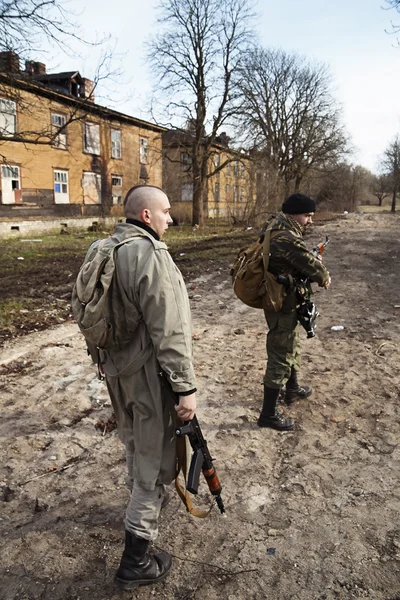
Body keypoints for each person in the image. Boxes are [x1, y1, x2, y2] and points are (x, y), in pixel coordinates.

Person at [92, 185, 197, 590]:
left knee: (136, 445)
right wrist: (185, 387)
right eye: (166, 212)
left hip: (118, 372)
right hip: (149, 378)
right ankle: (135, 560)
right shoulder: (150, 254)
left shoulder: (103, 249)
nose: (171, 219)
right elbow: (169, 330)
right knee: (154, 463)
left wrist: (106, 365)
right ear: (147, 216)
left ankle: (140, 501)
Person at [257, 193, 331, 431]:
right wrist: (324, 275)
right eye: (307, 215)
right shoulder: (286, 237)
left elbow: (295, 260)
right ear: (293, 213)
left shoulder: (275, 226)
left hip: (287, 299)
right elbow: (316, 272)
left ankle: (292, 389)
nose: (310, 221)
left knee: (291, 344)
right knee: (280, 353)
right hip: (282, 302)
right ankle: (268, 414)